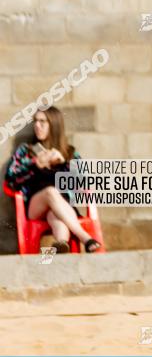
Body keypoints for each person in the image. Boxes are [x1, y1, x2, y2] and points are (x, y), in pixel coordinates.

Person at [5, 106, 102, 253]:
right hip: (35, 206)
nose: (37, 126)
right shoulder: (27, 151)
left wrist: (64, 164)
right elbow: (11, 178)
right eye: (36, 121)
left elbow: (84, 183)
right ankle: (86, 238)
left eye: (42, 122)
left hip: (62, 207)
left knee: (57, 222)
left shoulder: (69, 153)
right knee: (50, 192)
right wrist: (34, 164)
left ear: (54, 125)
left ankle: (51, 259)